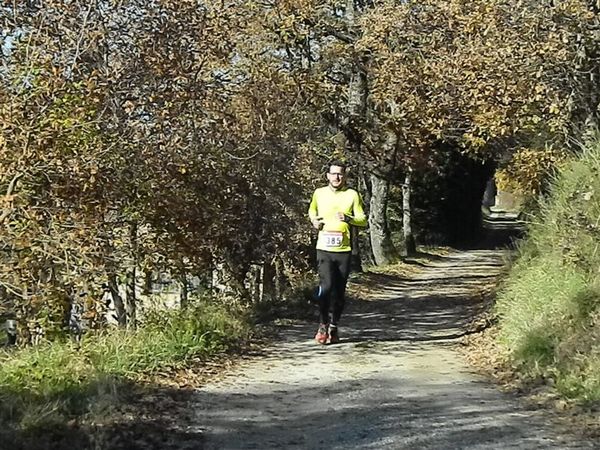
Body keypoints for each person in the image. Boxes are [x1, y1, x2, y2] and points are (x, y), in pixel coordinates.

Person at [308, 161, 367, 344]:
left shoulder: (352, 195)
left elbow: (363, 220)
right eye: (333, 174)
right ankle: (323, 324)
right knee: (325, 288)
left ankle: (334, 326)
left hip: (343, 250)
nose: (336, 177)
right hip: (324, 249)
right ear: (327, 176)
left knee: (339, 292)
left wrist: (348, 218)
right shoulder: (319, 193)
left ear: (345, 176)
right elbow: (312, 210)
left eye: (340, 174)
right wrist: (314, 222)